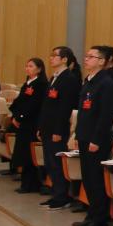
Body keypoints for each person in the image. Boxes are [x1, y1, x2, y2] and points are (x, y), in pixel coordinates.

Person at [74, 46, 113, 226]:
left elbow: (105, 115)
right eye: (86, 56)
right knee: (88, 178)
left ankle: (99, 218)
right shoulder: (88, 81)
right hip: (84, 135)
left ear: (101, 61)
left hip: (96, 138)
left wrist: (97, 139)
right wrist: (77, 134)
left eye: (91, 56)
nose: (86, 59)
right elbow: (83, 112)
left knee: (96, 178)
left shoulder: (106, 83)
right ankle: (92, 214)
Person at [37, 47, 82, 210]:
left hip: (58, 129)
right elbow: (47, 105)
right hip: (48, 127)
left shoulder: (68, 78)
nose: (51, 58)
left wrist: (57, 130)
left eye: (55, 55)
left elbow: (65, 107)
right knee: (50, 163)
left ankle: (62, 196)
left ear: (64, 59)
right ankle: (56, 194)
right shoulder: (54, 77)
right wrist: (41, 127)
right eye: (51, 55)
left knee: (56, 163)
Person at [10, 58, 48, 194]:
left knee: (29, 155)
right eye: (26, 66)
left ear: (39, 69)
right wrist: (15, 116)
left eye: (31, 66)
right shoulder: (28, 83)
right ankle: (26, 183)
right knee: (23, 154)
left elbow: (34, 105)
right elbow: (19, 101)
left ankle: (31, 184)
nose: (27, 68)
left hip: (32, 123)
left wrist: (20, 117)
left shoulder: (41, 84)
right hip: (23, 123)